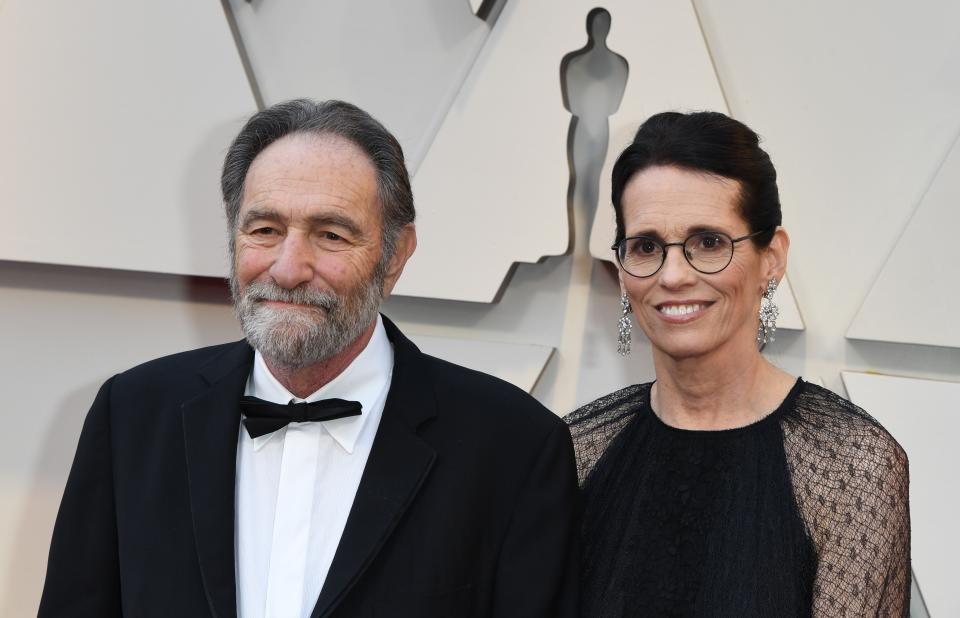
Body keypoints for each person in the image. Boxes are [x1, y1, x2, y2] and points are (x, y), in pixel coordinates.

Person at [39, 99, 579, 617]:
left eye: (330, 234)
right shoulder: (131, 416)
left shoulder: (514, 447)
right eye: (265, 230)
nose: (288, 268)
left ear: (394, 256)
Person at [565, 111, 910, 616]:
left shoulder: (849, 465)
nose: (674, 275)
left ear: (772, 257)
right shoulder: (576, 448)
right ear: (623, 269)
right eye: (646, 246)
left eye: (708, 242)